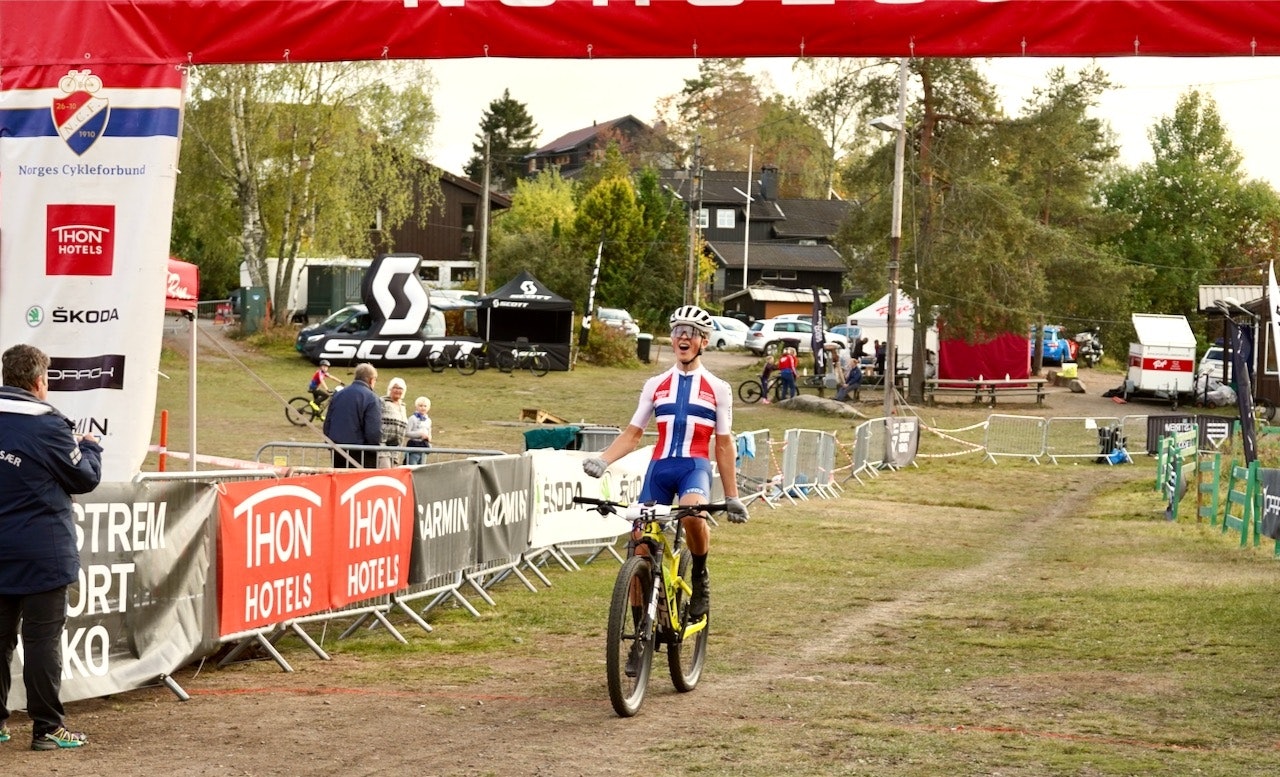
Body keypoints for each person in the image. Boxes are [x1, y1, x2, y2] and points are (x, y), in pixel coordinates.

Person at [582, 305, 749, 637]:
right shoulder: (656, 384)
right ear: (672, 339)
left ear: (703, 341)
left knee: (692, 514)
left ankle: (699, 575)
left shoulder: (718, 388)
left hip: (694, 467)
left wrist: (732, 496)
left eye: (691, 333)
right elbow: (633, 433)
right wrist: (604, 460)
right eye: (678, 332)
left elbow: (724, 443)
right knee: (638, 545)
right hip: (659, 469)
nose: (683, 338)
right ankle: (637, 635)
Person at [0, 344, 103, 751]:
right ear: (40, 381)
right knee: (42, 641)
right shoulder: (47, 423)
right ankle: (46, 728)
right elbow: (84, 478)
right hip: (42, 550)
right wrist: (91, 446)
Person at [323, 362, 381, 468]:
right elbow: (373, 431)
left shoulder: (338, 395)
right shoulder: (372, 398)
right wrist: (373, 450)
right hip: (361, 453)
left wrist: (330, 442)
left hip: (338, 450)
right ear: (371, 380)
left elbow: (328, 423)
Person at [378, 377, 409, 468]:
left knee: (393, 472)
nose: (398, 390)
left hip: (396, 447)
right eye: (395, 387)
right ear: (390, 389)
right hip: (382, 444)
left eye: (400, 388)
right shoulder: (382, 401)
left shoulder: (403, 406)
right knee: (385, 469)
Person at [405, 396, 432, 465]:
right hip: (414, 446)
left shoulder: (428, 420)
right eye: (420, 406)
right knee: (412, 466)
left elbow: (429, 431)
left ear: (428, 408)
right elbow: (407, 433)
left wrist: (429, 437)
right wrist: (419, 434)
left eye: (425, 406)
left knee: (422, 467)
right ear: (416, 407)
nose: (423, 408)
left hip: (424, 447)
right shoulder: (412, 418)